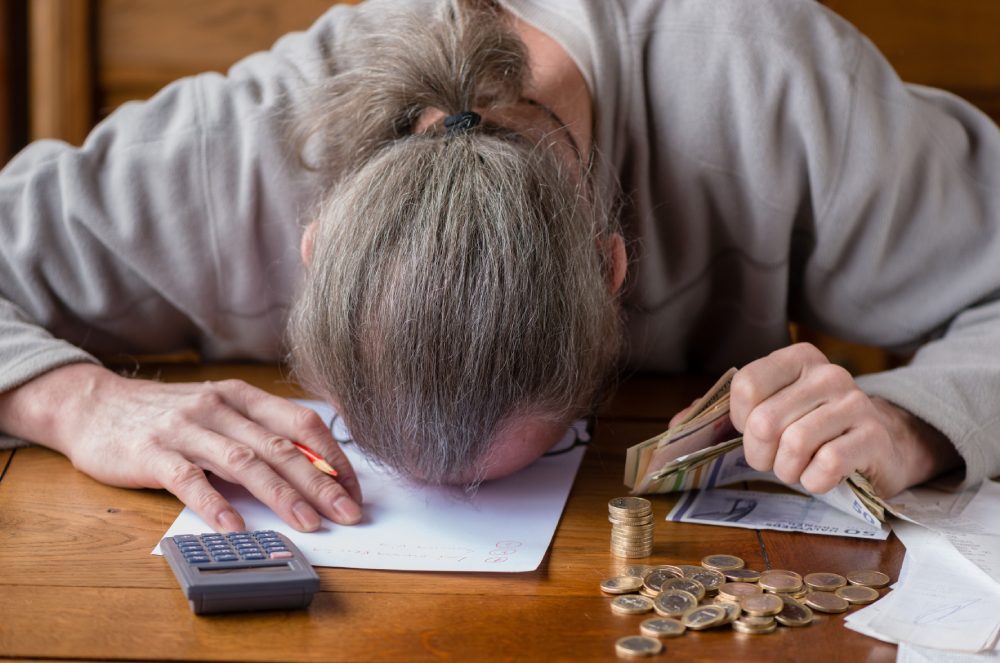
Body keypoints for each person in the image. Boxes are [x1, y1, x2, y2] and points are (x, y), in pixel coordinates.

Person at [0, 0, 994, 535]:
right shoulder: (229, 153)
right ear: (311, 250)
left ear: (613, 270)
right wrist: (74, 400)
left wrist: (914, 419)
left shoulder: (776, 88)